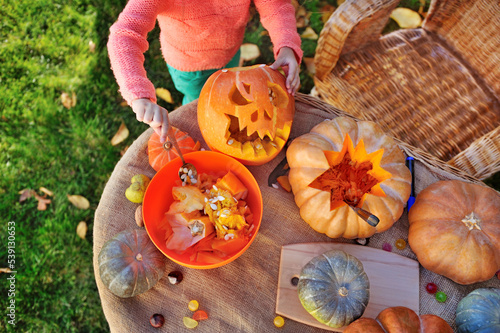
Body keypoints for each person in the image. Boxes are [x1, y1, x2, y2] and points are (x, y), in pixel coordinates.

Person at [107, 0, 303, 143]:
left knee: (235, 99)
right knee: (199, 107)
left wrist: (286, 45)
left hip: (230, 54)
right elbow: (124, 36)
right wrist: (139, 95)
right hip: (190, 68)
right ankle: (198, 134)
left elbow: (275, 5)